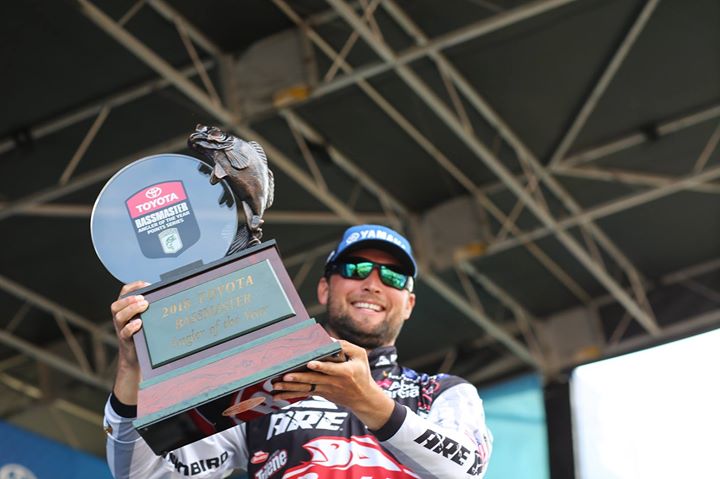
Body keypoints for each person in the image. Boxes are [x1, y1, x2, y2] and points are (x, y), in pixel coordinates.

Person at [104, 224, 493, 478]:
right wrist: (131, 371)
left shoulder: (441, 391)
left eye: (393, 276)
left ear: (408, 304)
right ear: (324, 289)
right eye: (356, 269)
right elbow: (142, 476)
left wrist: (368, 402)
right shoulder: (264, 391)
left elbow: (467, 471)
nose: (373, 284)